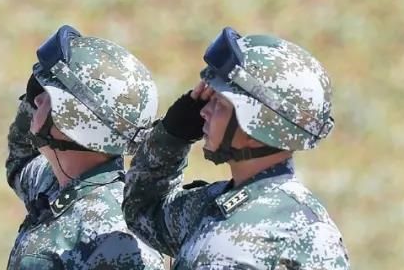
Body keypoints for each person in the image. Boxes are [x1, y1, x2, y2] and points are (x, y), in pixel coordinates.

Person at [123, 28, 349, 269]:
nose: (203, 111)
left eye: (219, 104)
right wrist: (172, 137)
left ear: (258, 128)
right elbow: (142, 211)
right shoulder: (209, 206)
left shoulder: (306, 233)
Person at [5, 24, 166, 270]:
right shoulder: (55, 181)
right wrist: (35, 98)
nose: (36, 99)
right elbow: (20, 160)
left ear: (74, 122)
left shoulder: (118, 239)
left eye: (48, 95)